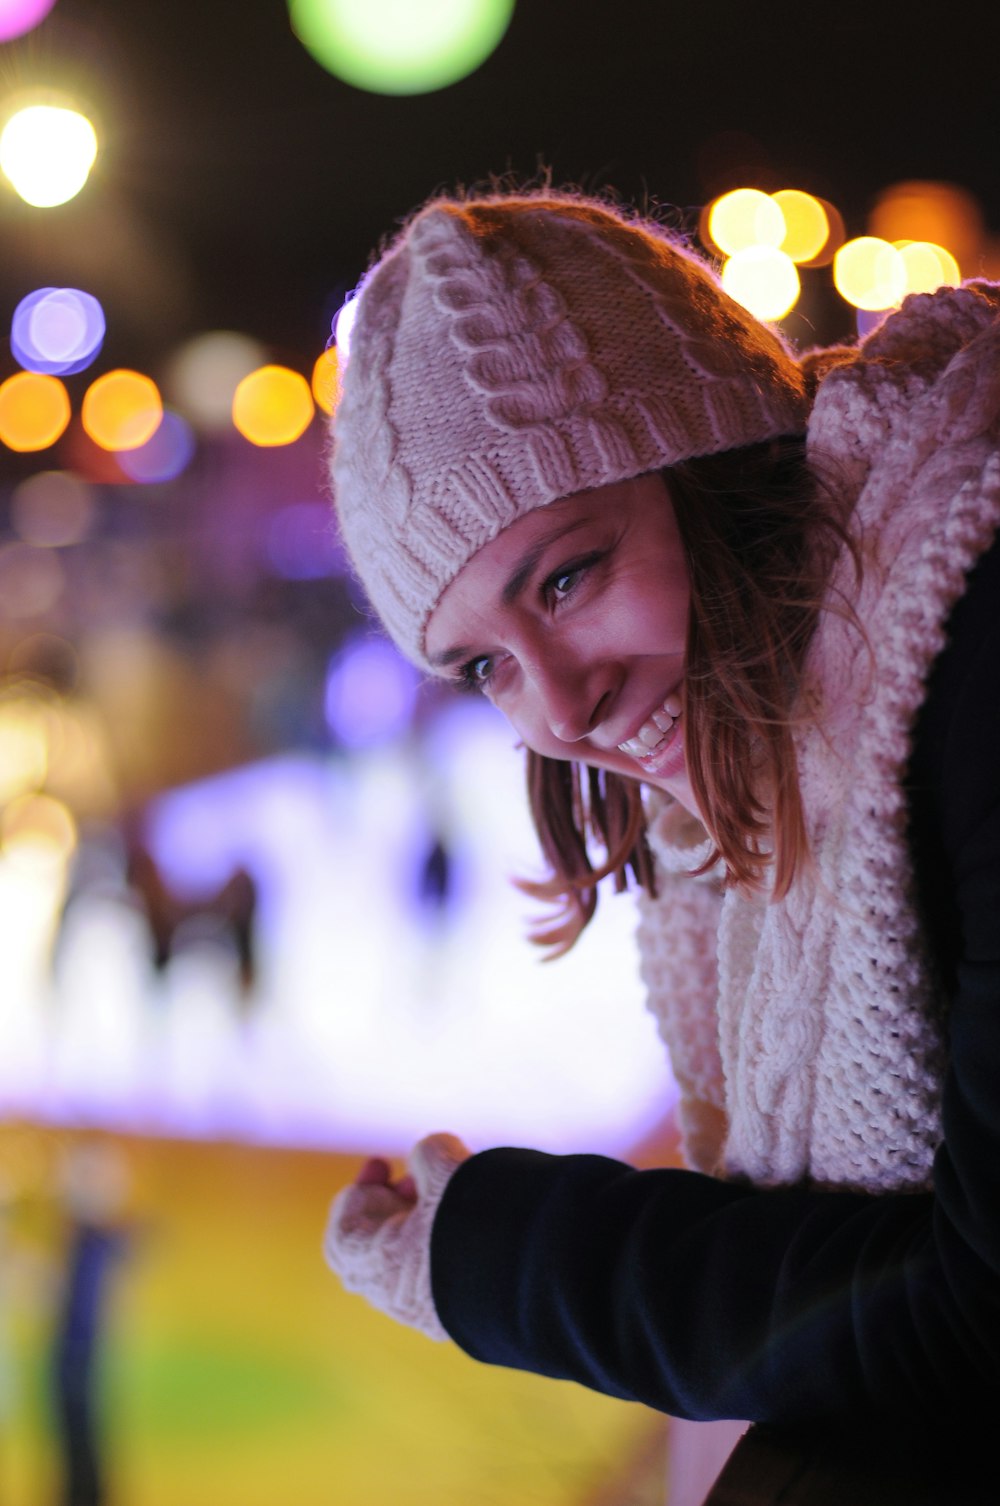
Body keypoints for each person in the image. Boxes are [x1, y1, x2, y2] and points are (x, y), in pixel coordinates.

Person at [321, 190, 1000, 1501]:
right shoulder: (734, 816)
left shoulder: (971, 652)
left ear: (714, 463)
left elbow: (974, 1303)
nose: (558, 711)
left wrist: (510, 1259)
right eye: (482, 666)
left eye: (566, 577)